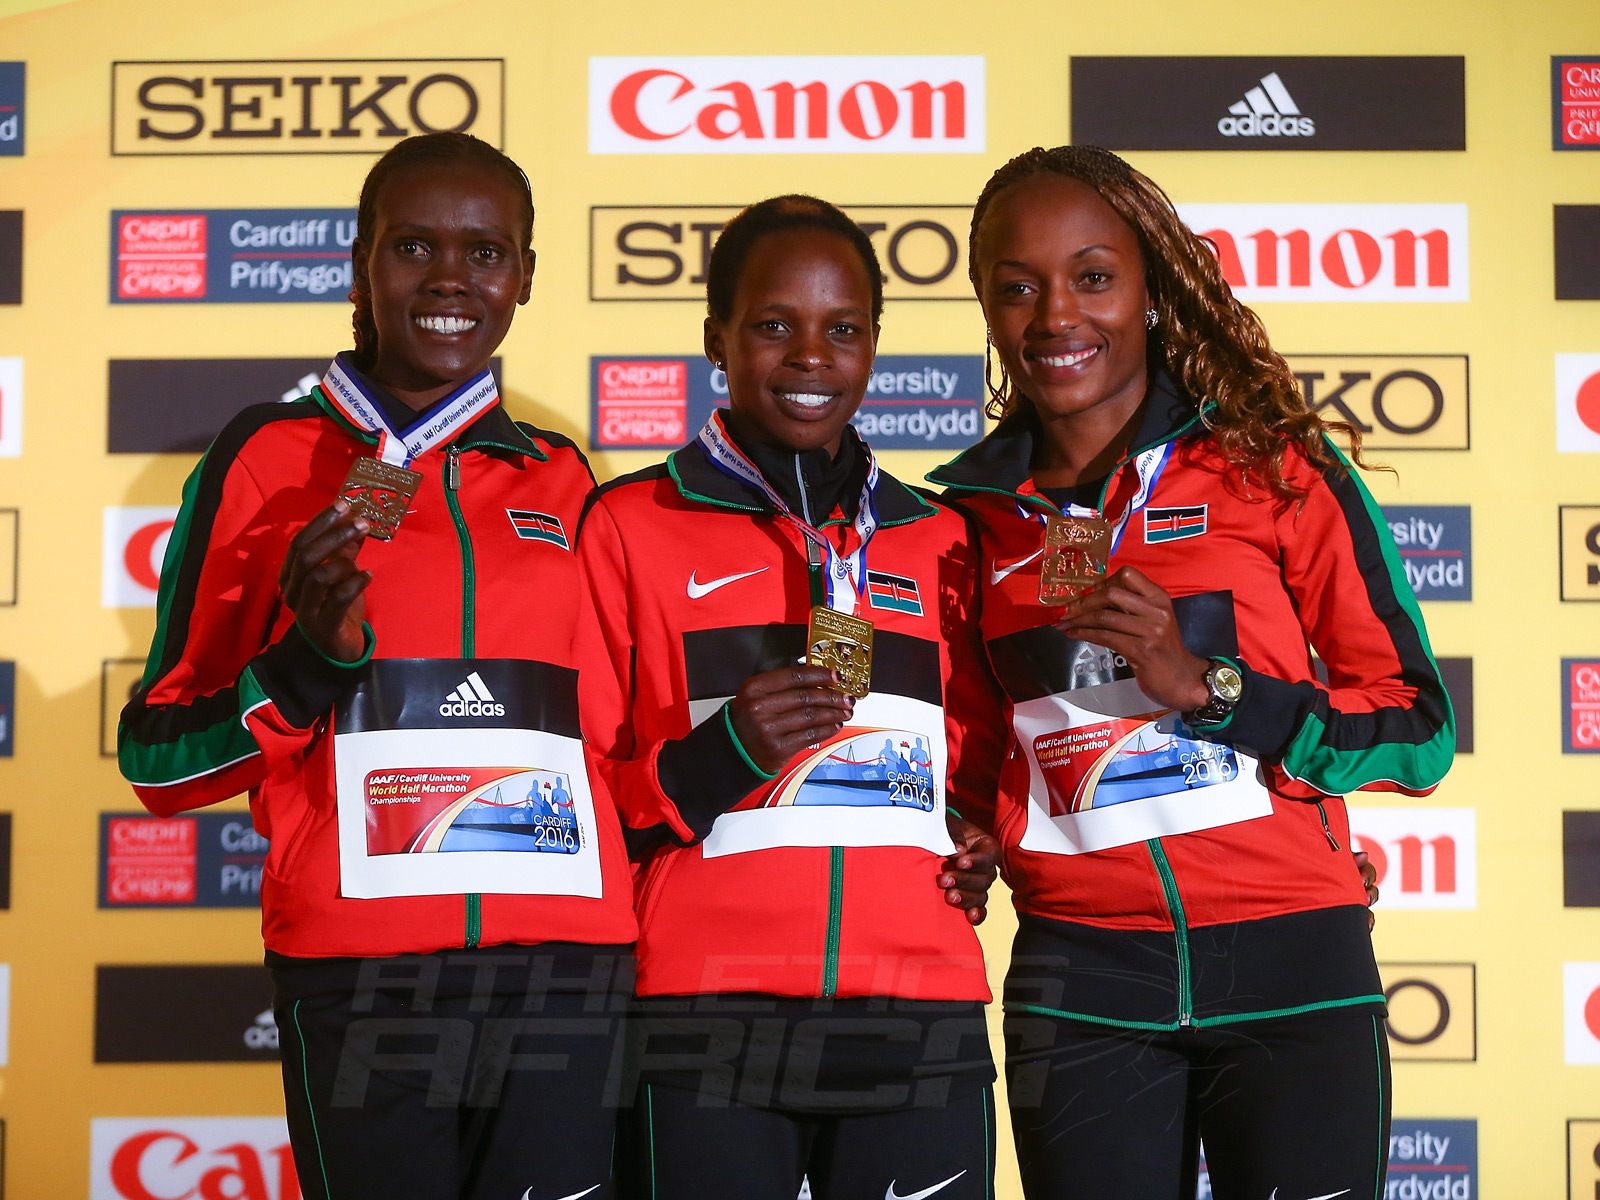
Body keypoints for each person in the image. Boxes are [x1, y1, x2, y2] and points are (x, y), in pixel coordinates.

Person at [925, 146, 1456, 1200]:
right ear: (984, 305)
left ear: (1152, 288)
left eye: (1091, 276)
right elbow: (975, 760)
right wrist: (965, 843)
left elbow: (1416, 727)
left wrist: (1209, 688)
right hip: (1079, 980)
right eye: (1015, 285)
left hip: (1289, 963)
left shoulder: (1273, 470)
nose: (1053, 316)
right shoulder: (963, 525)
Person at [118, 132, 635, 1200]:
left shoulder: (564, 474)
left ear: (525, 276)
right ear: (358, 263)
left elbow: (615, 740)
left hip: (565, 971)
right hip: (363, 982)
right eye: (413, 246)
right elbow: (160, 760)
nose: (451, 278)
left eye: (485, 253)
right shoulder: (266, 457)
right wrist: (302, 668)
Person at [575, 195, 1005, 1200]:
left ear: (873, 346)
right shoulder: (628, 525)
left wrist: (983, 831)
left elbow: (978, 757)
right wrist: (715, 756)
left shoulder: (937, 538)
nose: (811, 357)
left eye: (843, 329)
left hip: (919, 1008)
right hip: (703, 1012)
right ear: (716, 340)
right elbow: (578, 792)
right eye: (774, 325)